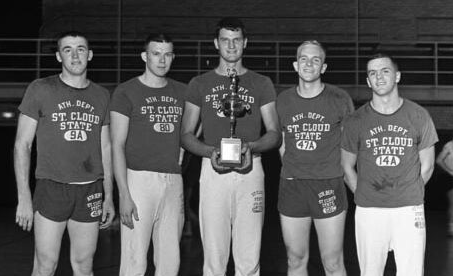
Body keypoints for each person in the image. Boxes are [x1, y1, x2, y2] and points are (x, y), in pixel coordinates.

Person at [180, 17, 281, 276]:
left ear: (245, 43)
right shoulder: (199, 84)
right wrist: (209, 152)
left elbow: (274, 133)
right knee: (214, 257)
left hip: (251, 169)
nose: (231, 46)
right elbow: (186, 135)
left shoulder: (262, 83)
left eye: (237, 40)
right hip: (212, 170)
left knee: (249, 256)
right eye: (225, 40)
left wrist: (252, 146)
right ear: (216, 43)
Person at [14, 31, 115, 276]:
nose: (75, 55)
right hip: (52, 188)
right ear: (59, 56)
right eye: (67, 49)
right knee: (46, 265)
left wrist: (109, 195)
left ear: (89, 55)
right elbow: (21, 145)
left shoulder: (102, 95)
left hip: (90, 189)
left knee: (83, 265)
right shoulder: (40, 89)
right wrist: (24, 198)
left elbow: (106, 148)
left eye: (80, 48)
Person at [340, 53, 438, 276]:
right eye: (373, 73)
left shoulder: (419, 115)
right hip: (369, 211)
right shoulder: (356, 120)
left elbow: (428, 165)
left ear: (397, 76)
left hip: (408, 209)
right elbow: (346, 167)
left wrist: (408, 192)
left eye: (385, 71)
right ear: (368, 81)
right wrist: (365, 194)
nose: (379, 77)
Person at [110, 33, 186, 276]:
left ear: (173, 57)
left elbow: (193, 129)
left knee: (170, 261)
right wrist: (123, 194)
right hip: (138, 180)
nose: (162, 60)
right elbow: (117, 145)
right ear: (145, 56)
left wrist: (182, 149)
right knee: (134, 261)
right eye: (156, 54)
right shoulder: (126, 91)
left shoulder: (183, 92)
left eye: (167, 54)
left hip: (173, 180)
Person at [276, 40, 354, 276]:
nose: (309, 64)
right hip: (292, 185)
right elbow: (281, 142)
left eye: (315, 59)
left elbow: (348, 145)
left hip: (328, 184)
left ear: (324, 67)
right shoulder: (283, 100)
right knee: (295, 259)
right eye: (304, 59)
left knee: (332, 261)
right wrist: (296, 167)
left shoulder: (340, 99)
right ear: (295, 65)